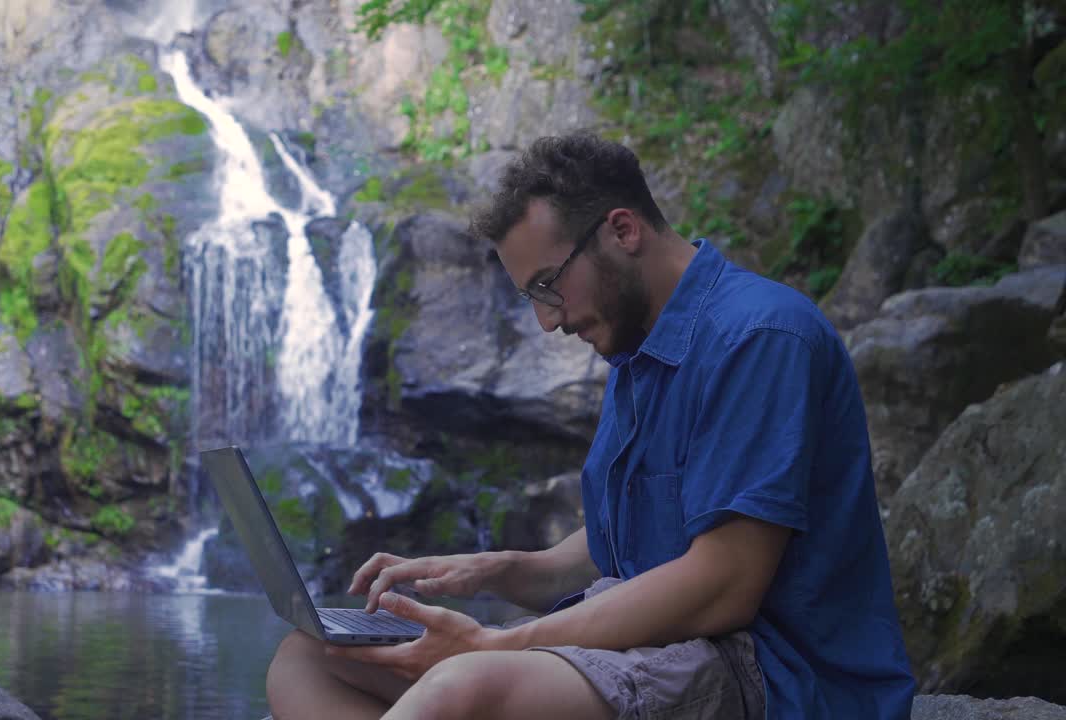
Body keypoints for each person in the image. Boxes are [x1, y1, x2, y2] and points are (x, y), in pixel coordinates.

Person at [266, 133, 916, 719]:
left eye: (549, 286)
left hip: (775, 671)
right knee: (307, 657)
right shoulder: (636, 350)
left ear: (623, 230)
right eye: (534, 298)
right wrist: (491, 569)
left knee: (458, 688)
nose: (549, 320)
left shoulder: (761, 337)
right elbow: (615, 550)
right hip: (669, 645)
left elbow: (724, 583)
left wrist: (495, 643)